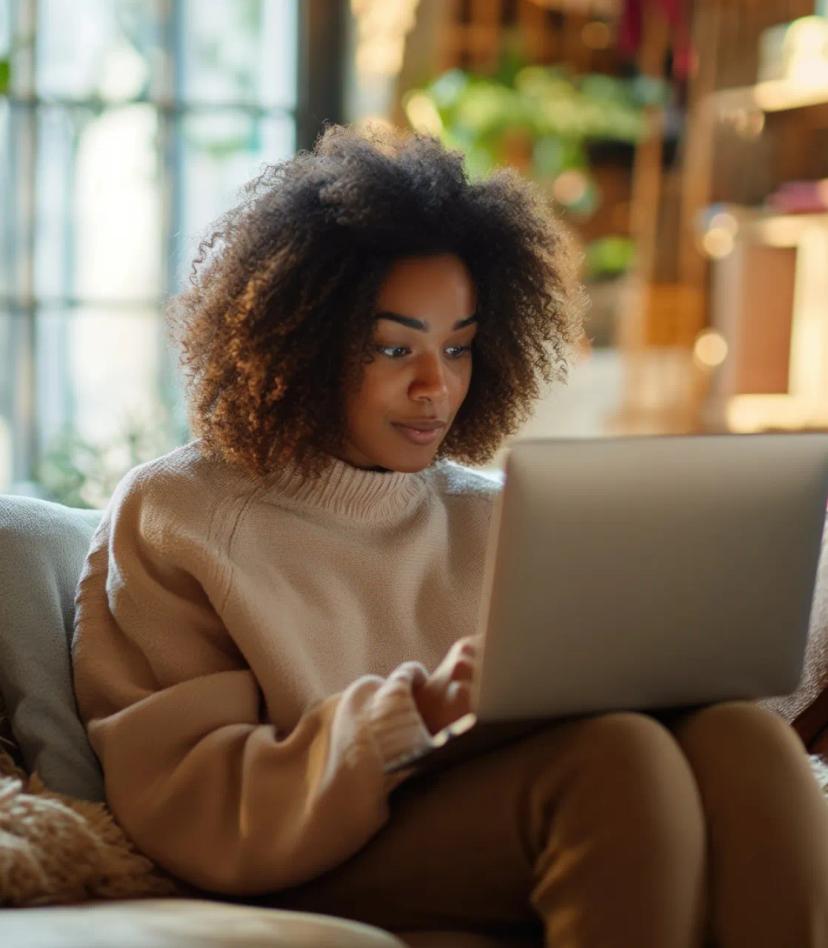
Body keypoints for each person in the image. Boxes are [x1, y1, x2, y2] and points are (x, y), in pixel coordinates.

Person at [72, 124, 828, 948]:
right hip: (312, 848)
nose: (435, 386)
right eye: (394, 347)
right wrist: (423, 706)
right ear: (300, 343)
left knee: (741, 737)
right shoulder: (179, 513)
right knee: (617, 767)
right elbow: (188, 799)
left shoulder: (494, 512)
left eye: (459, 348)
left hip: (501, 803)